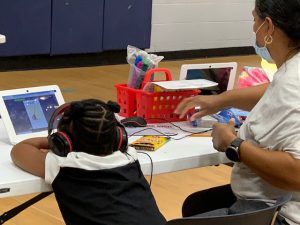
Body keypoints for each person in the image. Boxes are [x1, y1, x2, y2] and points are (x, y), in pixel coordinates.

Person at [175, 0, 300, 224]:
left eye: (255, 20)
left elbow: (296, 173)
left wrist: (233, 144)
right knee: (197, 204)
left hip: (283, 214)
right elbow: (273, 90)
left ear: (269, 27)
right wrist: (221, 100)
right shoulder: (292, 72)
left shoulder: (290, 84)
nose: (254, 28)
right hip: (276, 199)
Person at [11, 99, 166, 225]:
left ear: (64, 141)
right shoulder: (130, 156)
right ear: (119, 138)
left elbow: (19, 150)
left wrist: (52, 142)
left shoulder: (64, 165)